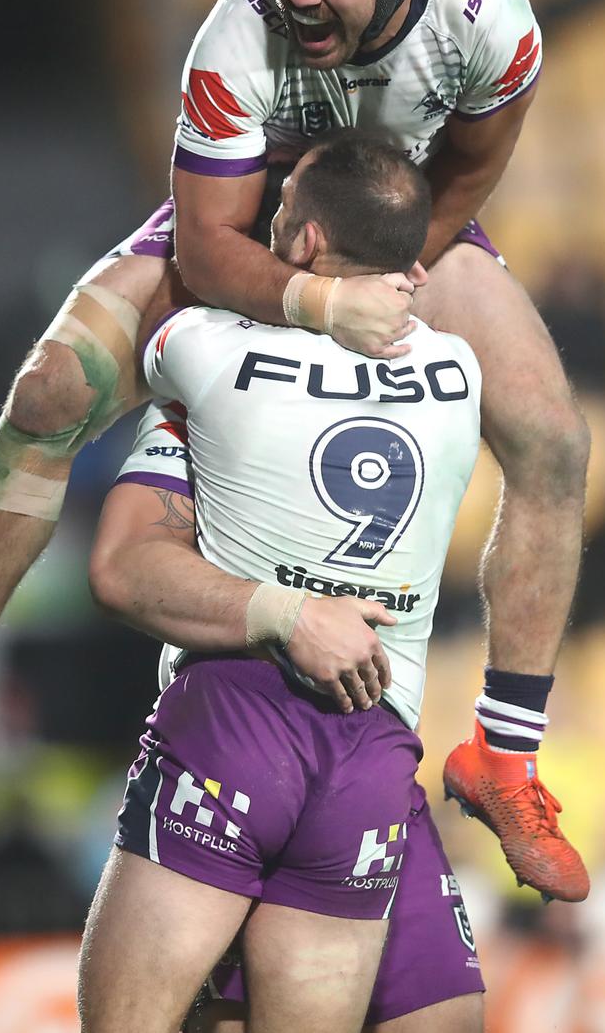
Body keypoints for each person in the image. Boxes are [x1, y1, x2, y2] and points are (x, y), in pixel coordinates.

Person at [0, 0, 590, 902]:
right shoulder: (239, 30)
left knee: (554, 442)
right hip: (254, 224)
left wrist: (391, 272)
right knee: (48, 393)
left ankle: (503, 756)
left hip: (393, 234)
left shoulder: (491, 22)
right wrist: (324, 305)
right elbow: (203, 248)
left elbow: (469, 166)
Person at [81, 132, 487, 1033]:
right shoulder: (460, 372)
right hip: (374, 735)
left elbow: (180, 282)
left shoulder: (202, 347)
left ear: (302, 245)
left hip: (239, 706)